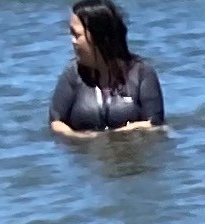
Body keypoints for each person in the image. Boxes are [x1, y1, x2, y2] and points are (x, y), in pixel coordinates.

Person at [49, 3, 166, 134]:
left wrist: (124, 133)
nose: (73, 41)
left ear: (98, 36)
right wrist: (76, 137)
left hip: (129, 150)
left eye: (77, 35)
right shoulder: (72, 73)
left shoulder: (142, 72)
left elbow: (156, 125)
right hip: (87, 151)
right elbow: (56, 122)